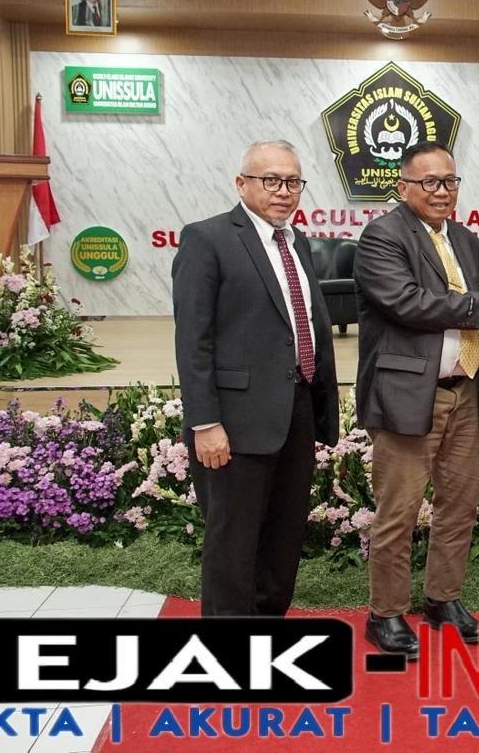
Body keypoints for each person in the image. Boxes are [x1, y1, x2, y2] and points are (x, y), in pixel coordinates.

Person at [353, 140, 479, 658]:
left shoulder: (466, 240)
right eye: (429, 182)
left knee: (459, 506)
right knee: (399, 511)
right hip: (408, 395)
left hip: (466, 389)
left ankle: (442, 599)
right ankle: (385, 613)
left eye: (449, 181)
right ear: (403, 187)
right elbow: (409, 304)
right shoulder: (382, 236)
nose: (442, 191)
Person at [172, 139, 340, 616]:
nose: (283, 191)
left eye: (292, 182)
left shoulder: (297, 241)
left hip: (295, 413)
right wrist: (205, 422)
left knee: (283, 540)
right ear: (241, 183)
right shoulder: (207, 239)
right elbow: (193, 340)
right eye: (271, 180)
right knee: (233, 544)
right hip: (234, 422)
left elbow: (305, 324)